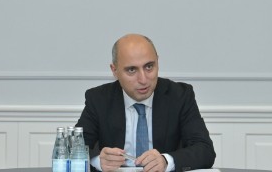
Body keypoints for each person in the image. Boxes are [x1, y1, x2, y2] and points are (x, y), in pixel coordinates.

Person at [76, 34, 216, 172]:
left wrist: (166, 161)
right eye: (132, 70)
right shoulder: (99, 99)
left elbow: (205, 150)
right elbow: (74, 148)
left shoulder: (179, 95)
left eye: (149, 67)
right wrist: (99, 161)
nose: (143, 80)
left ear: (157, 62)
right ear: (115, 71)